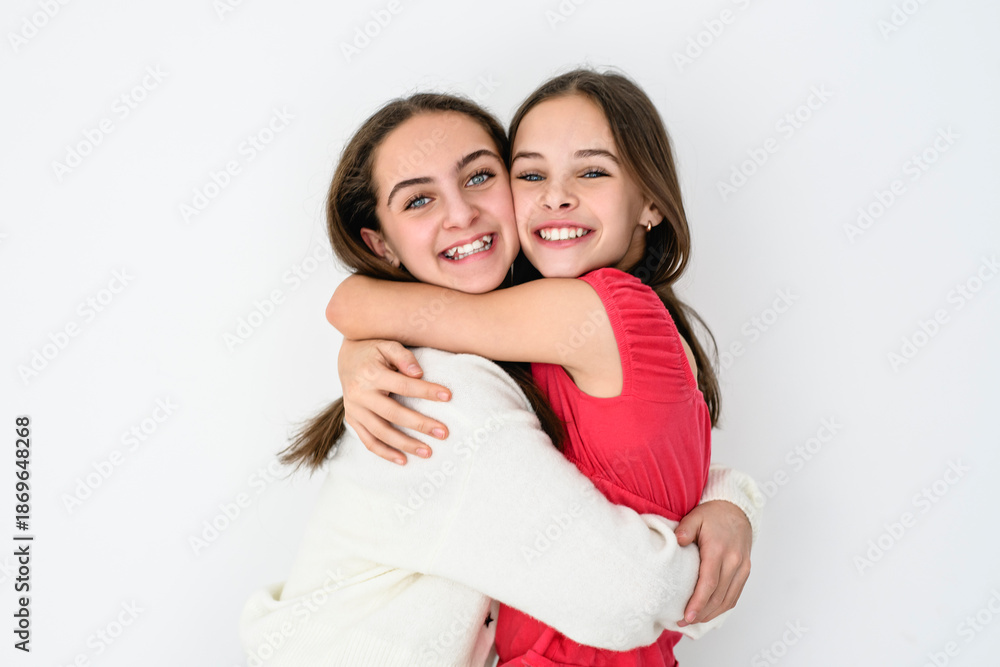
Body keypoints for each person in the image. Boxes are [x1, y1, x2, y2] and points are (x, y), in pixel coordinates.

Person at [240, 91, 762, 667]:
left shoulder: (536, 339)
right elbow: (632, 594)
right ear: (380, 244)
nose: (461, 214)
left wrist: (728, 500)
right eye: (418, 200)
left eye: (479, 176)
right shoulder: (433, 392)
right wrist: (717, 546)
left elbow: (621, 469)